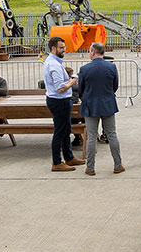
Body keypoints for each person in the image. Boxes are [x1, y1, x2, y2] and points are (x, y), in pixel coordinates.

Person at [78, 43, 124, 176]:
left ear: (92, 52)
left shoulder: (84, 69)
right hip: (107, 103)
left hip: (90, 104)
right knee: (112, 134)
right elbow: (115, 85)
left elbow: (81, 88)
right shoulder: (111, 67)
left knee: (91, 136)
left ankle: (90, 167)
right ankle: (118, 164)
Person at [43, 36, 86, 171]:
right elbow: (60, 88)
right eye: (61, 48)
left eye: (64, 47)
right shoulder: (54, 64)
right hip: (59, 100)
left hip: (61, 100)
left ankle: (69, 157)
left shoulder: (55, 61)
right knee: (60, 132)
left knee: (66, 130)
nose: (64, 50)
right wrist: (72, 82)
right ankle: (56, 162)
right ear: (53, 48)